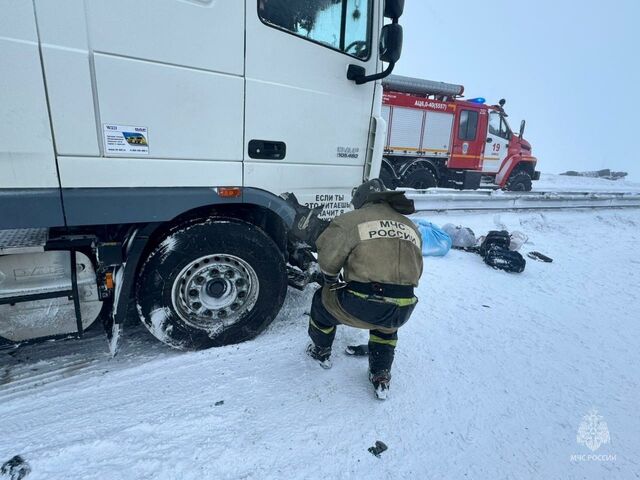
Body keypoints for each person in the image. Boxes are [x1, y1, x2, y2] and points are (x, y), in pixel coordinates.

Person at [306, 179, 423, 399]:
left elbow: (328, 263)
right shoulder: (411, 226)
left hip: (362, 303)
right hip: (404, 307)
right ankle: (381, 373)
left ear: (360, 200)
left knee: (321, 303)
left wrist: (331, 282)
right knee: (386, 325)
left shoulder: (351, 221)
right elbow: (417, 270)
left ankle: (320, 350)